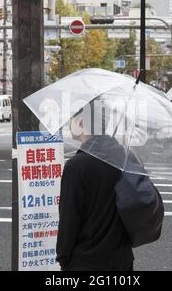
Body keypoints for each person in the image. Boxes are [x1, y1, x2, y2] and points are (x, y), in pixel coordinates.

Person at [56, 110, 134, 271]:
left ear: (82, 123)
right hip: (121, 259)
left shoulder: (76, 166)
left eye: (71, 120)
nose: (69, 125)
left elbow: (69, 219)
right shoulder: (123, 156)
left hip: (86, 262)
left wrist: (64, 259)